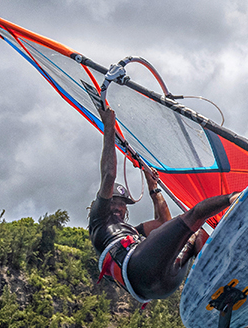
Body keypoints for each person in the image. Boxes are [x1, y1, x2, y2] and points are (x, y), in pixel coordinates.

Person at [87, 106, 238, 302]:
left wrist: (154, 188)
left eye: (122, 203)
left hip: (162, 285)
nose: (117, 206)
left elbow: (164, 223)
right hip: (138, 270)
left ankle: (220, 283)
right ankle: (237, 198)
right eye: (113, 201)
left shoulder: (133, 232)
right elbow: (109, 176)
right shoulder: (99, 220)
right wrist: (109, 126)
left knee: (196, 235)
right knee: (194, 215)